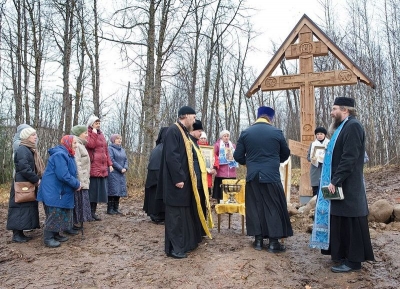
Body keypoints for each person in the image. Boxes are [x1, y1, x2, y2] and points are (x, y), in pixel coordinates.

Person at [310, 97, 374, 273]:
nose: (331, 112)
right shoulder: (344, 126)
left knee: (351, 221)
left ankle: (353, 261)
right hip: (342, 184)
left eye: (334, 108)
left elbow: (349, 157)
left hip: (348, 185)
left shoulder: (353, 126)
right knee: (341, 220)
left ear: (345, 110)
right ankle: (343, 255)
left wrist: (335, 180)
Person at [233, 106, 293, 252]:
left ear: (258, 116)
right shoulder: (276, 132)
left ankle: (258, 241)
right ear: (270, 118)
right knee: (273, 207)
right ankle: (273, 243)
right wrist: (272, 161)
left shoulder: (246, 133)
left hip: (252, 176)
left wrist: (249, 163)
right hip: (271, 176)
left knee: (255, 207)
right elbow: (285, 154)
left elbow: (237, 156)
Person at [157, 106, 211, 259]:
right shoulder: (173, 131)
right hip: (176, 183)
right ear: (185, 116)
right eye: (193, 117)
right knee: (175, 217)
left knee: (181, 215)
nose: (194, 120)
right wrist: (179, 178)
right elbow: (172, 157)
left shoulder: (182, 131)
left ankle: (182, 245)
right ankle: (175, 249)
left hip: (183, 182)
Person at [37, 135, 81, 248]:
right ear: (68, 143)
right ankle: (48, 237)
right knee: (54, 213)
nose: (76, 145)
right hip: (53, 190)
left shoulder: (68, 154)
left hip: (59, 189)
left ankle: (56, 234)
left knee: (60, 212)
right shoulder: (60, 155)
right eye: (74, 143)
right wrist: (76, 184)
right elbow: (63, 175)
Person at [7, 127, 45, 243]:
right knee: (19, 208)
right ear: (27, 136)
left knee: (24, 208)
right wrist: (36, 180)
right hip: (22, 183)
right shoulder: (23, 149)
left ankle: (20, 233)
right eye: (33, 135)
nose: (35, 137)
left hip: (26, 182)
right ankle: (17, 234)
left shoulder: (28, 149)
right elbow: (24, 168)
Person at [85, 115, 113, 220]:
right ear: (91, 124)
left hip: (102, 167)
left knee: (97, 192)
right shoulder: (89, 133)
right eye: (96, 123)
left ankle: (93, 212)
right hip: (93, 166)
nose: (98, 125)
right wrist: (94, 134)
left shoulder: (102, 135)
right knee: (92, 191)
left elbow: (106, 151)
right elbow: (91, 145)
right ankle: (89, 213)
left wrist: (109, 164)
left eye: (99, 123)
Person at [189, 120, 213, 235]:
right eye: (199, 131)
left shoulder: (196, 143)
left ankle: (202, 228)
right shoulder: (190, 143)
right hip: (196, 180)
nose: (200, 134)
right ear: (193, 131)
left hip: (202, 181)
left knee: (203, 205)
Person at [71, 125, 94, 231]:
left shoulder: (81, 145)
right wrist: (80, 181)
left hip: (84, 178)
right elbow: (77, 164)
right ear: (79, 134)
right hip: (80, 179)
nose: (87, 135)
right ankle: (73, 223)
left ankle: (76, 222)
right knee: (77, 201)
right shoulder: (77, 146)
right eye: (85, 133)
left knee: (81, 201)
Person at [143, 127, 168, 223]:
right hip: (158, 173)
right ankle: (157, 215)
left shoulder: (158, 147)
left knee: (154, 194)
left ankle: (156, 214)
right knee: (157, 194)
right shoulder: (164, 148)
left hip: (153, 173)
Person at [212, 129, 238, 202]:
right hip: (221, 172)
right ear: (221, 137)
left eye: (227, 136)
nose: (226, 137)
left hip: (231, 172)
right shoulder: (217, 145)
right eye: (224, 136)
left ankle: (230, 207)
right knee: (221, 192)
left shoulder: (233, 146)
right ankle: (220, 205)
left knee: (230, 192)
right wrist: (214, 167)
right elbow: (214, 156)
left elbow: (236, 155)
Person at [107, 134, 128, 215]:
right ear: (113, 140)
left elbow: (126, 159)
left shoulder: (122, 150)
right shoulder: (110, 148)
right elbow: (111, 159)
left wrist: (125, 167)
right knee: (113, 190)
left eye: (120, 138)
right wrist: (120, 168)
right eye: (117, 139)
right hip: (113, 172)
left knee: (119, 190)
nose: (119, 140)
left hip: (121, 173)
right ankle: (110, 209)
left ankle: (116, 208)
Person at [307, 127, 330, 196]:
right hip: (315, 169)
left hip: (326, 168)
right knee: (316, 190)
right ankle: (315, 205)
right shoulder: (313, 144)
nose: (319, 136)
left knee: (326, 188)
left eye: (321, 134)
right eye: (318, 134)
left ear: (324, 135)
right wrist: (313, 159)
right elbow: (308, 157)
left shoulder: (329, 143)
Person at [197, 132, 218, 196]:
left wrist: (214, 168)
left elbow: (216, 159)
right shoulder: (195, 147)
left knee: (206, 194)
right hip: (198, 174)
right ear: (198, 139)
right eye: (201, 138)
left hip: (208, 174)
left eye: (204, 138)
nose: (203, 140)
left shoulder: (210, 149)